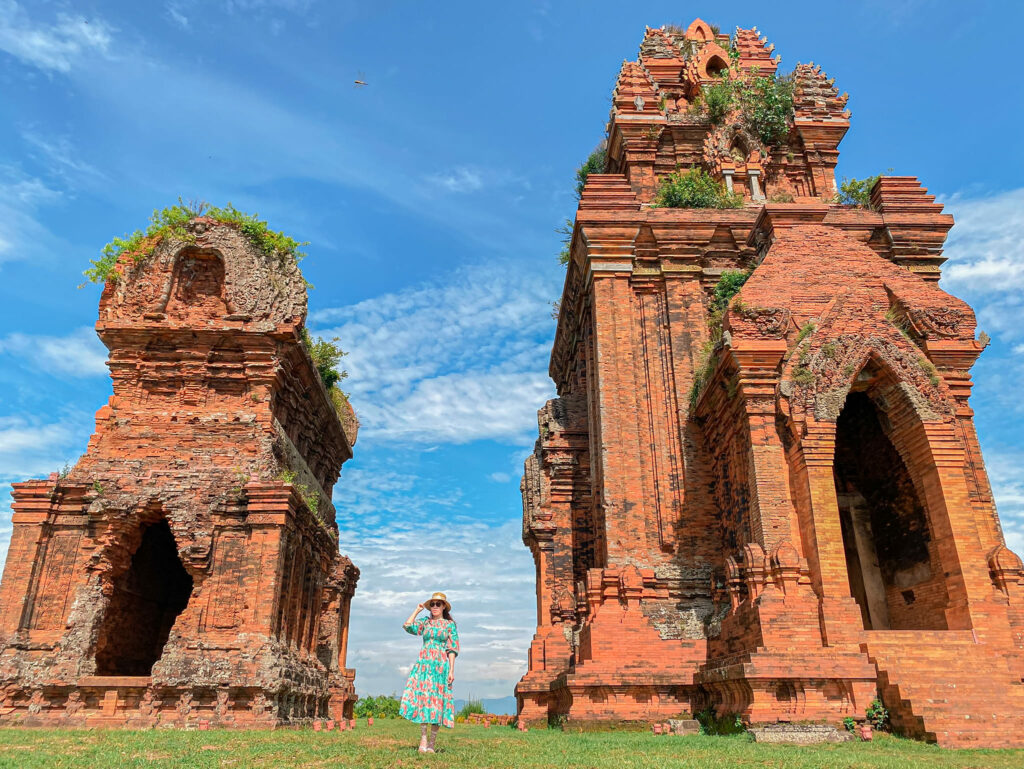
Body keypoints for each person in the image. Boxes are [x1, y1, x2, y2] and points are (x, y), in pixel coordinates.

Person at [399, 592, 460, 753]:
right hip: (424, 665)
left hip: (440, 666)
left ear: (443, 607)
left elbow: (452, 648)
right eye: (432, 604)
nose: (434, 607)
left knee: (437, 702)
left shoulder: (449, 625)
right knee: (424, 700)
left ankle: (432, 743)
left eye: (438, 604)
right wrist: (417, 610)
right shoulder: (425, 622)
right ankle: (423, 739)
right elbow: (407, 626)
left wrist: (451, 670)